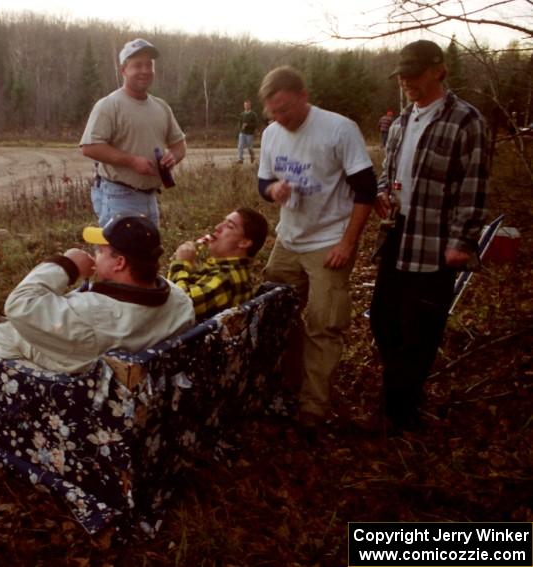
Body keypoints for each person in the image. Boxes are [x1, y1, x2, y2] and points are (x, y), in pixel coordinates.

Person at [0, 214, 195, 395]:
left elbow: (20, 304)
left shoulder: (89, 315)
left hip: (68, 371)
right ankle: (15, 328)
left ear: (120, 263)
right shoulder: (179, 300)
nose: (94, 252)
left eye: (100, 250)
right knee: (26, 322)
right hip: (106, 361)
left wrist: (66, 266)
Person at [370, 40, 489, 433]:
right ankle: (400, 393)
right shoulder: (403, 121)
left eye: (414, 74)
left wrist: (462, 241)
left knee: (420, 328)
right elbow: (389, 171)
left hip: (437, 240)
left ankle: (400, 415)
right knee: (384, 322)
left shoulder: (466, 121)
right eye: (402, 75)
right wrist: (384, 192)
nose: (406, 82)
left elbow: (473, 187)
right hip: (398, 233)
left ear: (439, 70)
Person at [256, 65, 377, 428]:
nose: (280, 118)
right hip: (289, 239)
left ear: (303, 96)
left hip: (329, 241)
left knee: (324, 325)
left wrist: (347, 243)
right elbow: (263, 182)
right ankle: (286, 385)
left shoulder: (339, 129)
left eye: (285, 110)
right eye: (273, 112)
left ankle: (314, 406)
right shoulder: (271, 134)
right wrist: (272, 191)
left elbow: (366, 191)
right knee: (276, 314)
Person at [80, 38, 186, 227]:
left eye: (149, 65)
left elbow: (179, 145)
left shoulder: (161, 107)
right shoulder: (109, 105)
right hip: (119, 196)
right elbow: (90, 147)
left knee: (147, 254)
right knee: (118, 255)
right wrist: (132, 161)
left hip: (150, 197)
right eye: (137, 65)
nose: (145, 71)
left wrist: (174, 157)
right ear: (124, 70)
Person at [167, 208, 268, 320]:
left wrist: (181, 264)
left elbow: (179, 304)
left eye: (229, 226)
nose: (218, 227)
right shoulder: (232, 269)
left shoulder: (225, 277)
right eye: (222, 222)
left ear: (244, 242)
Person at [237, 100, 259, 164]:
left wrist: (248, 125)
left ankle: (252, 156)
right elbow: (240, 123)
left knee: (250, 147)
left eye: (247, 105)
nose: (246, 106)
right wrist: (240, 128)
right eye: (245, 105)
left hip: (249, 133)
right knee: (240, 146)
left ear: (250, 105)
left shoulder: (253, 114)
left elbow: (256, 124)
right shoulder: (242, 114)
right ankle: (240, 159)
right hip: (242, 132)